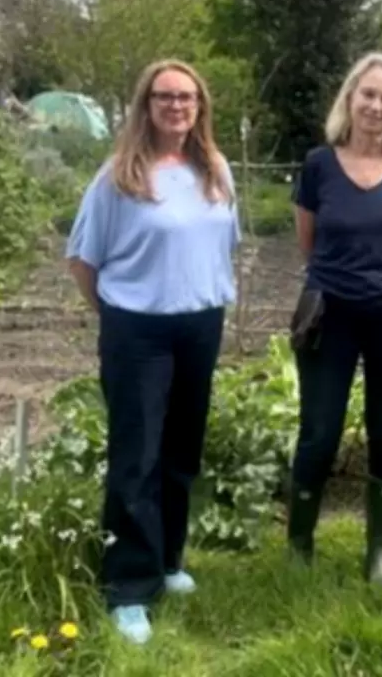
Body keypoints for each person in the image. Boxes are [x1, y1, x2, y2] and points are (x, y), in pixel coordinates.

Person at [66, 59, 240, 644]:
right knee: (137, 456)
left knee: (181, 451)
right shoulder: (119, 175)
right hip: (137, 331)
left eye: (187, 97)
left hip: (199, 325)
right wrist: (120, 313)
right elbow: (83, 260)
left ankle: (167, 560)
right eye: (164, 96)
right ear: (146, 105)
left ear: (200, 106)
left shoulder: (215, 170)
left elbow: (222, 245)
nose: (176, 106)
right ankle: (128, 588)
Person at [287, 51, 382, 587]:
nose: (377, 106)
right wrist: (346, 280)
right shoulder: (318, 165)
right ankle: (299, 543)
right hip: (329, 316)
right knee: (319, 430)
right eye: (368, 94)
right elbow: (309, 243)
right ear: (350, 98)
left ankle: (379, 550)